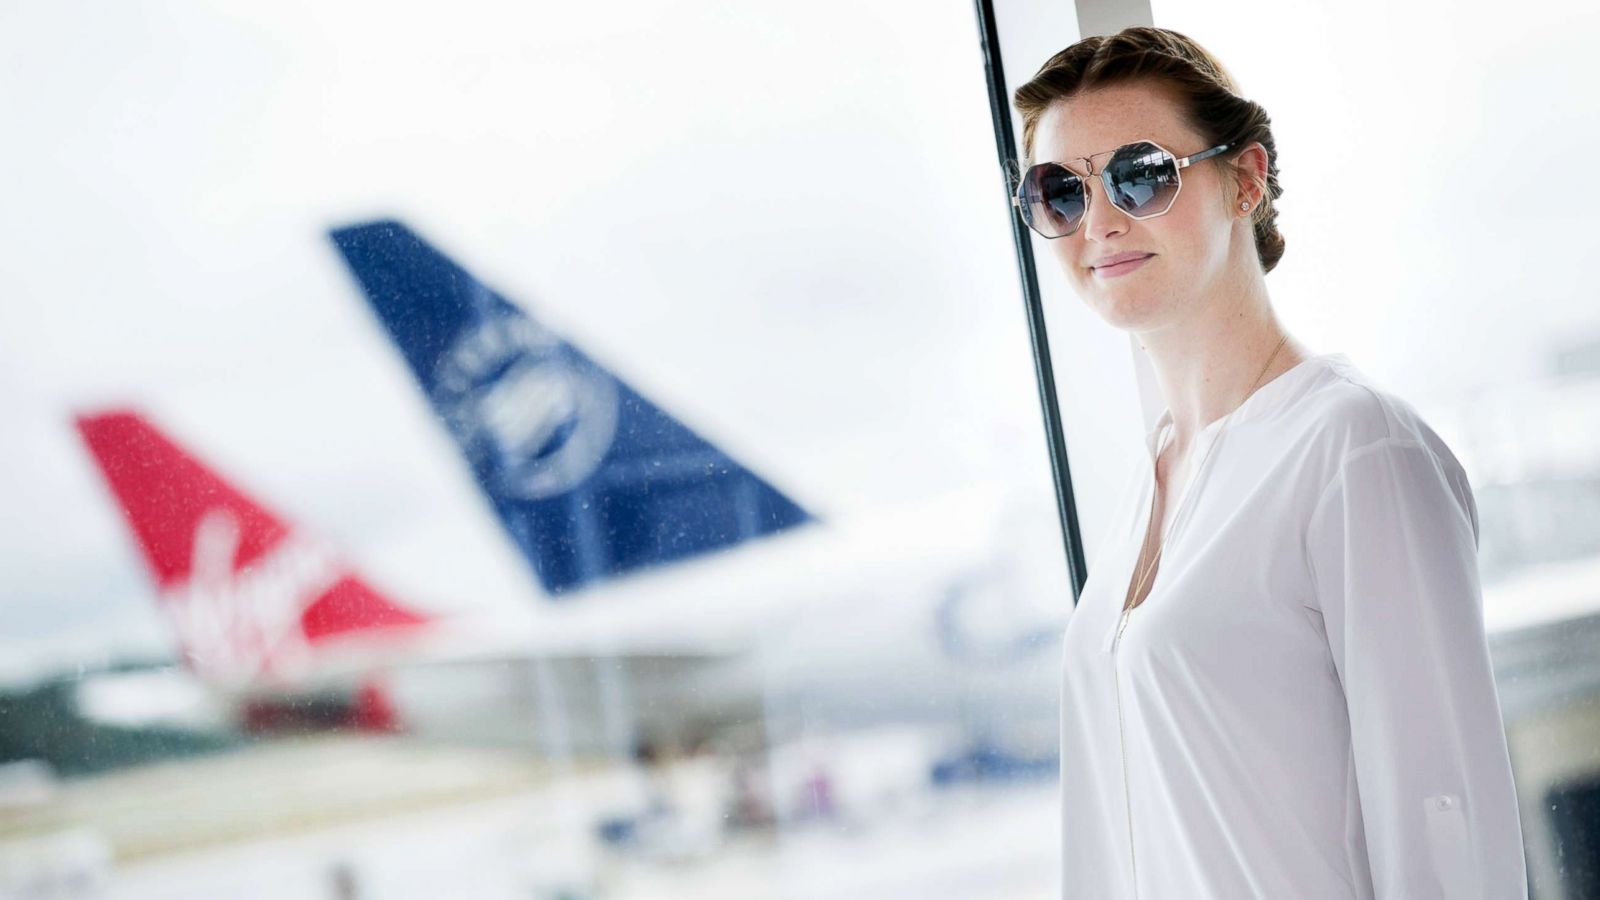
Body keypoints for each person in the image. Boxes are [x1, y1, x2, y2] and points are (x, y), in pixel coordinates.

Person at [1008, 26, 1526, 899]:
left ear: (1244, 179)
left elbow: (1448, 828)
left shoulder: (1356, 451)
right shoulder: (1159, 475)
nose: (1097, 221)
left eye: (1140, 174)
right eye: (1060, 192)